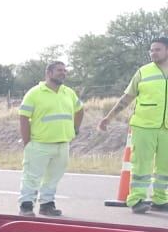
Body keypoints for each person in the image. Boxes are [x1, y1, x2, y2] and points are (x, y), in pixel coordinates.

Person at [98, 37, 168, 213]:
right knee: (141, 164)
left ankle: (160, 200)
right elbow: (127, 97)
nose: (153, 53)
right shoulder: (143, 72)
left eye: (157, 49)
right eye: (151, 50)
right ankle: (136, 200)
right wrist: (109, 117)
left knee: (165, 167)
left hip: (166, 128)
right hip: (144, 126)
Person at [18, 61, 83, 216]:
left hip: (62, 144)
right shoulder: (34, 93)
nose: (63, 73)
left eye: (65, 70)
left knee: (53, 178)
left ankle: (47, 205)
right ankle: (26, 206)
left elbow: (80, 110)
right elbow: (23, 117)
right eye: (59, 70)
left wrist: (75, 129)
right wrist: (27, 142)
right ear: (48, 73)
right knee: (31, 177)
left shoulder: (68, 92)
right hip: (39, 144)